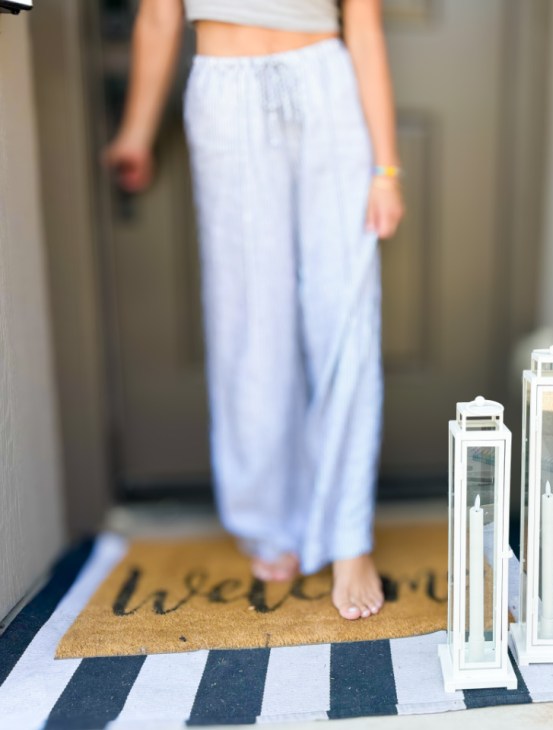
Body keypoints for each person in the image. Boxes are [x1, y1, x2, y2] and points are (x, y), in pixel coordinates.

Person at [105, 0, 404, 621]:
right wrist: (136, 131)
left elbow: (365, 27)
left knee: (344, 312)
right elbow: (159, 15)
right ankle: (270, 520)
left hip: (325, 85)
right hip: (224, 93)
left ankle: (348, 537)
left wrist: (386, 169)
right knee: (250, 323)